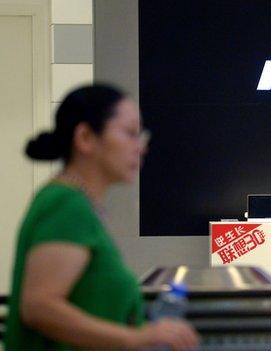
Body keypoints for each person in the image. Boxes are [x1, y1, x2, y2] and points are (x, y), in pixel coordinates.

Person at [5, 85, 200, 350]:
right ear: (85, 137)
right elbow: (39, 306)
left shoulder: (78, 204)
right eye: (130, 133)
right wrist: (136, 338)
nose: (140, 148)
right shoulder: (66, 204)